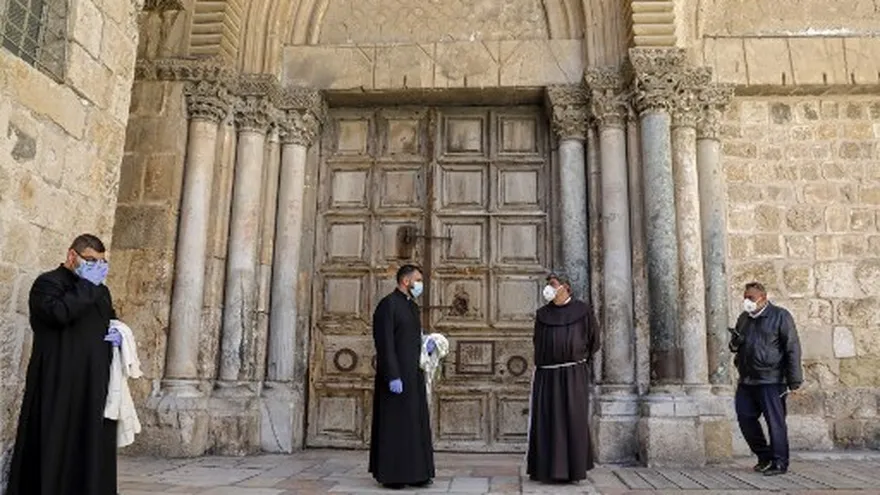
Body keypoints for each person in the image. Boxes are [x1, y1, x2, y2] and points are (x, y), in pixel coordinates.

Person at [5, 234, 123, 495]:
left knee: (90, 444)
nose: (97, 267)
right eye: (90, 260)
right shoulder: (48, 283)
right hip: (57, 380)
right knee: (53, 442)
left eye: (101, 262)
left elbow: (111, 320)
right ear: (72, 256)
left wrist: (120, 333)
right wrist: (88, 287)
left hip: (92, 380)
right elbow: (58, 314)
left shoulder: (100, 290)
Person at [527, 273, 601, 484]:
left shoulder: (582, 311)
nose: (548, 289)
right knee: (547, 419)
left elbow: (594, 340)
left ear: (565, 287)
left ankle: (573, 470)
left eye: (552, 284)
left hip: (572, 374)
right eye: (548, 285)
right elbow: (537, 342)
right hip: (547, 374)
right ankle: (544, 469)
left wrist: (577, 356)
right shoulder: (542, 314)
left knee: (572, 419)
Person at [368, 264, 435, 489]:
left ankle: (417, 472)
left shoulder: (412, 306)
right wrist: (392, 375)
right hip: (395, 376)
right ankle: (394, 475)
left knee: (414, 423)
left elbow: (414, 338)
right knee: (395, 425)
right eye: (418, 279)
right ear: (406, 281)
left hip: (413, 374)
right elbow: (385, 343)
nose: (420, 285)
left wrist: (428, 346)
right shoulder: (388, 305)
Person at [729, 281, 803, 476]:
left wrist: (794, 380)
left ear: (763, 298)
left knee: (775, 422)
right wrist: (735, 342)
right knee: (745, 418)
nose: (747, 302)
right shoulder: (744, 318)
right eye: (745, 298)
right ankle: (764, 456)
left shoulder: (780, 316)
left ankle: (780, 462)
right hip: (747, 379)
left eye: (751, 298)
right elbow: (736, 345)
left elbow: (792, 348)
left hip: (771, 379)